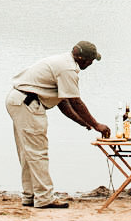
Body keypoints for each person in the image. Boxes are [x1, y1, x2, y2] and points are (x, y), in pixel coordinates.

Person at [6, 40, 110, 208]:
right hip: (28, 103)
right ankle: (44, 198)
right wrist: (97, 124)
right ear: (82, 59)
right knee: (38, 152)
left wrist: (83, 122)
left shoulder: (64, 62)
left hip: (18, 100)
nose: (91, 63)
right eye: (91, 60)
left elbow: (63, 103)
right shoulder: (68, 69)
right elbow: (75, 101)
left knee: (28, 152)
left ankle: (30, 196)